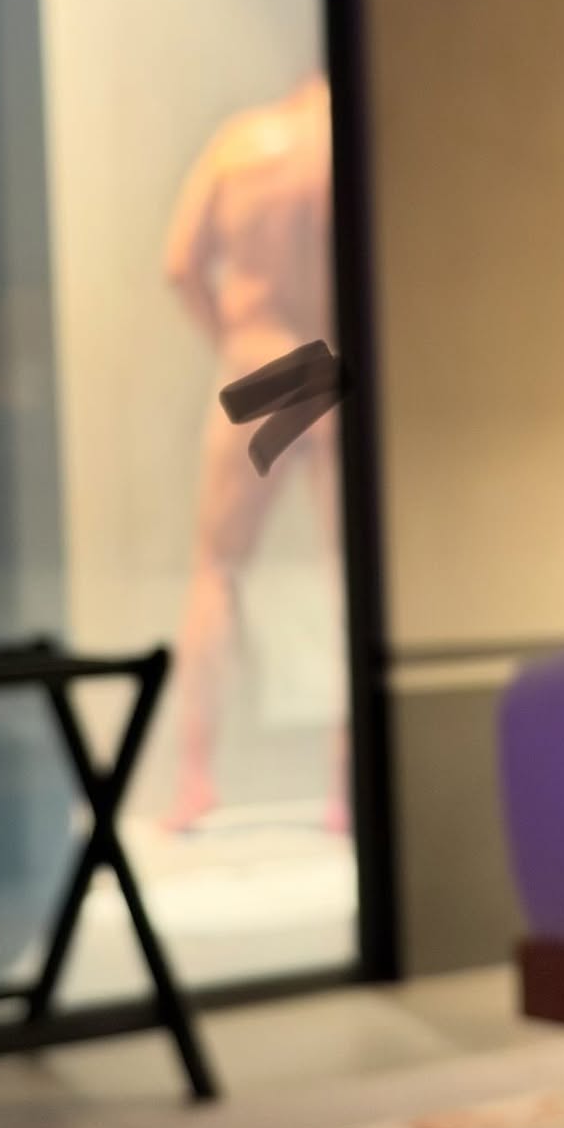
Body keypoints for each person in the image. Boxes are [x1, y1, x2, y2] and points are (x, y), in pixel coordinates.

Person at [163, 73, 348, 834]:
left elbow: (180, 266)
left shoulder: (240, 146)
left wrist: (233, 346)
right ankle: (347, 787)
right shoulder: (345, 143)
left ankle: (193, 777)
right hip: (331, 364)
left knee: (216, 570)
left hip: (261, 359)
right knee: (350, 575)